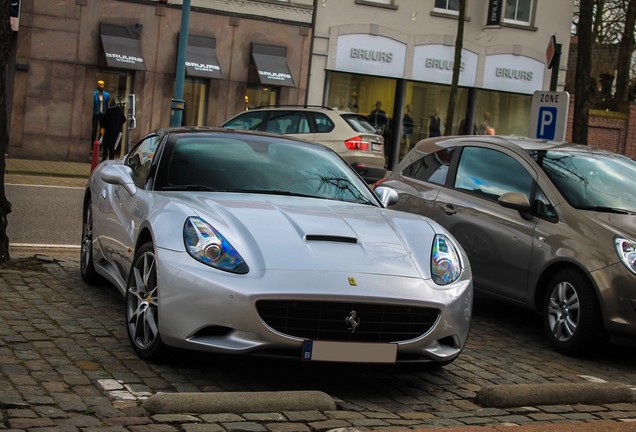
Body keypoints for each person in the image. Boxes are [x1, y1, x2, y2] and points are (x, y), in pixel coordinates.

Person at [91, 80, 110, 154]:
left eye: (102, 85)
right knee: (94, 130)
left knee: (102, 131)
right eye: (100, 85)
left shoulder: (106, 95)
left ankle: (100, 145)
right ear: (97, 86)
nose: (101, 86)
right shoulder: (94, 94)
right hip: (96, 113)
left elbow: (106, 104)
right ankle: (93, 146)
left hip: (103, 114)